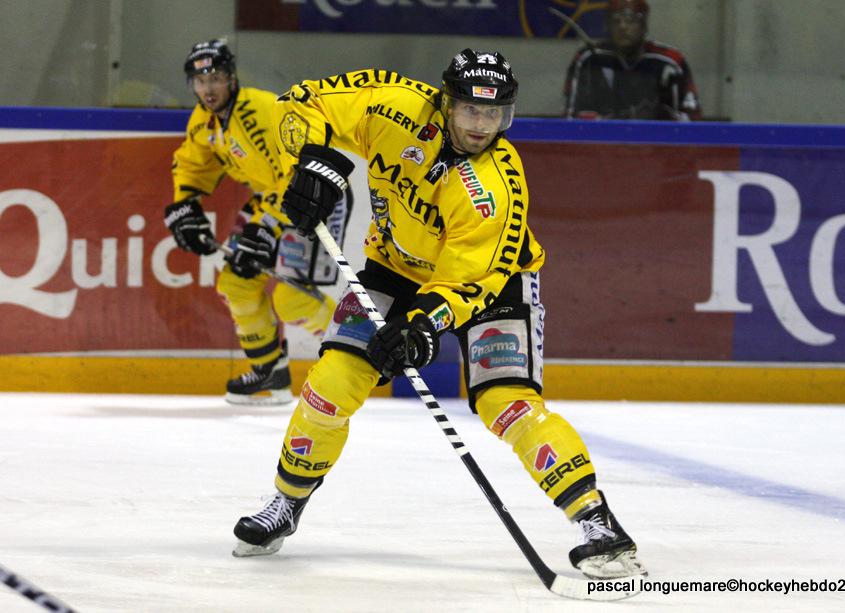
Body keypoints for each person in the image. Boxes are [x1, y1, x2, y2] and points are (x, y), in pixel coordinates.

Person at [231, 49, 646, 580]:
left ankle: (596, 521)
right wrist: (309, 161)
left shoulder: (496, 183)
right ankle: (286, 502)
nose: (481, 125)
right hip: (393, 270)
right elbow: (301, 101)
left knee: (507, 403)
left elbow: (470, 279)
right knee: (331, 383)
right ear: (445, 102)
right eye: (471, 110)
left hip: (495, 285)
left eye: (493, 114)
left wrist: (421, 327)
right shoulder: (393, 104)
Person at [164, 39, 351, 405]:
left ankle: (359, 353)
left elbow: (297, 171)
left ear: (231, 78)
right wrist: (184, 205)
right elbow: (192, 165)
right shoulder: (204, 120)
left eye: (215, 78)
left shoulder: (260, 110)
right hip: (273, 200)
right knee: (236, 283)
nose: (208, 89)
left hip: (315, 199)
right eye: (200, 81)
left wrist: (266, 226)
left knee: (293, 300)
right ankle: (271, 372)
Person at [563, 0, 701, 120]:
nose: (622, 27)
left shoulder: (670, 62)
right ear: (607, 25)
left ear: (644, 25)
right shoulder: (588, 59)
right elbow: (571, 119)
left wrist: (661, 116)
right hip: (602, 141)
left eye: (631, 20)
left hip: (656, 141)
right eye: (616, 20)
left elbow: (691, 120)